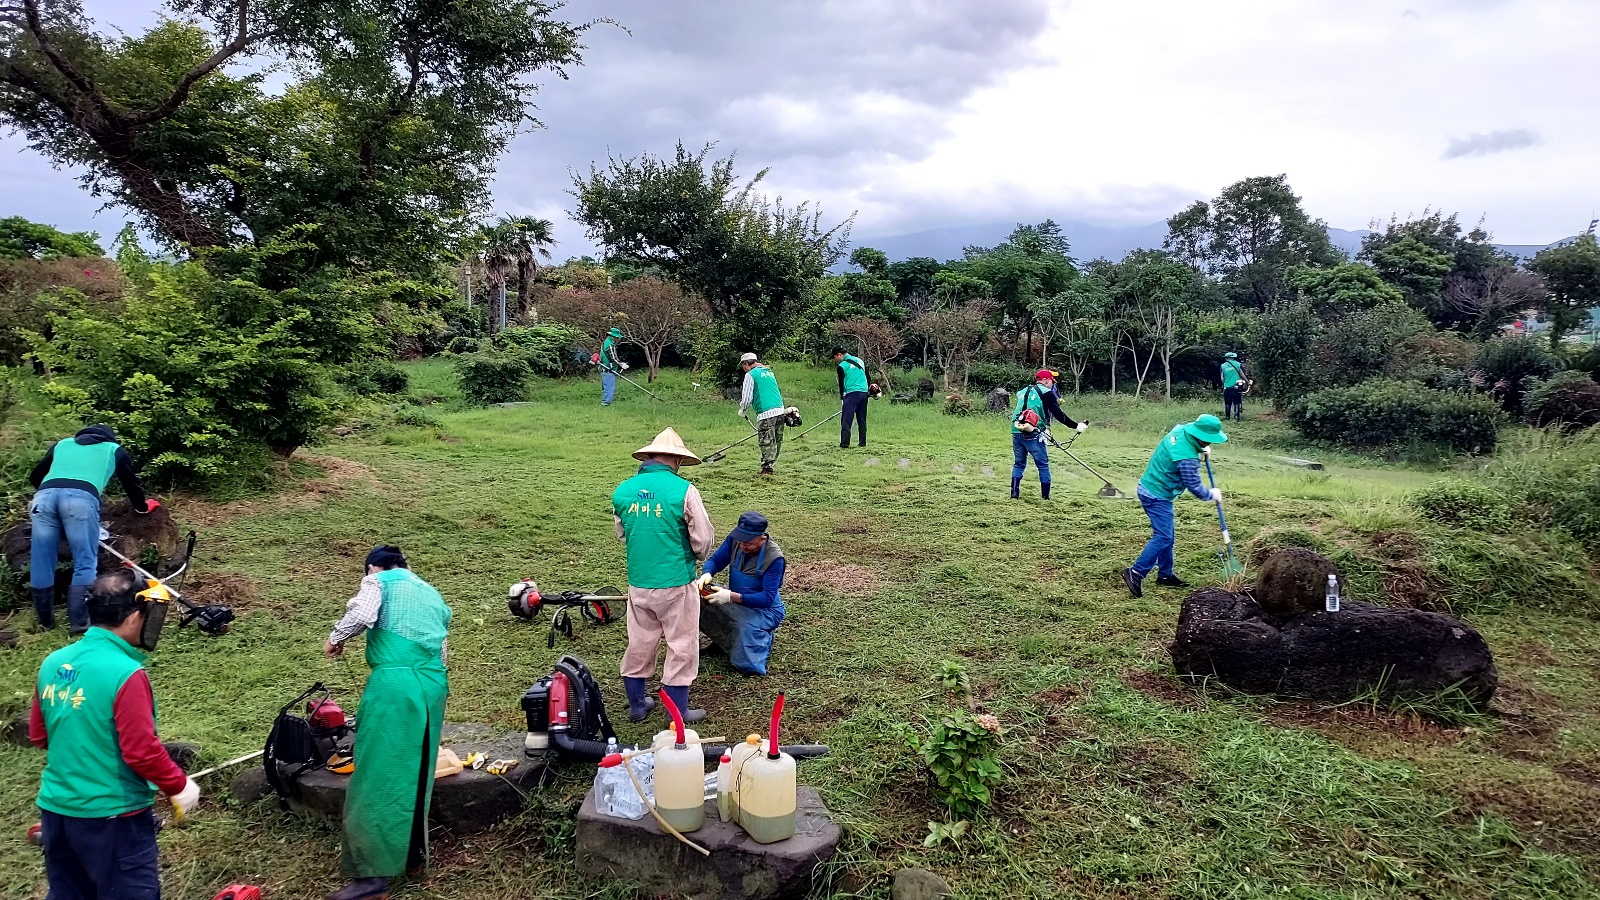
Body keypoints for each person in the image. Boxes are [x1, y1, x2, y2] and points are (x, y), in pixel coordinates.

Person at [30, 568, 199, 900]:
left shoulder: (54, 661)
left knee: (68, 893)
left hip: (56, 812)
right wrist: (179, 786)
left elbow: (39, 735)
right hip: (112, 818)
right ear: (135, 617)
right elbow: (141, 751)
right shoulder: (126, 673)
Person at [323, 546, 452, 900]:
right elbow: (441, 649)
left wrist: (336, 638)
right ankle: (411, 856)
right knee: (418, 771)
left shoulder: (378, 581)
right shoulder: (430, 592)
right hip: (432, 685)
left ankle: (370, 879)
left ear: (371, 568)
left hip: (395, 685)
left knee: (378, 775)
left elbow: (362, 614)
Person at [612, 428, 717, 723]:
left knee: (641, 640)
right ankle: (678, 712)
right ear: (676, 459)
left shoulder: (623, 490)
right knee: (681, 644)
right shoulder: (683, 490)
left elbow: (623, 533)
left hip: (639, 582)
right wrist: (697, 556)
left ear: (648, 456)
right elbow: (703, 537)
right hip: (675, 581)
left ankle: (637, 704)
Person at [28, 424, 154, 634]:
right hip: (80, 502)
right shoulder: (113, 449)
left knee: (41, 561)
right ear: (109, 438)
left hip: (43, 499)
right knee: (85, 561)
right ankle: (79, 623)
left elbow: (35, 476)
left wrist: (53, 498)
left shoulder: (63, 444)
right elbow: (131, 484)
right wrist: (142, 507)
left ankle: (45, 623)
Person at [1121, 414, 1228, 598]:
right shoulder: (1187, 458)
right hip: (1156, 495)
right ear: (1201, 437)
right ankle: (1136, 572)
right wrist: (1212, 495)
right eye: (1209, 441)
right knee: (1163, 536)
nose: (1211, 443)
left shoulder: (1182, 430)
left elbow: (1181, 436)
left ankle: (1165, 575)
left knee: (1167, 536)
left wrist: (1201, 450)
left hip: (1150, 486)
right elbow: (1194, 486)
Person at [698, 512, 786, 677]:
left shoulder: (774, 559)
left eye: (749, 543)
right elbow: (716, 560)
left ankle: (759, 646)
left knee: (742, 625)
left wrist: (731, 597)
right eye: (741, 541)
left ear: (762, 538)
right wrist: (707, 574)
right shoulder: (736, 540)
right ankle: (721, 642)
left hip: (766, 610)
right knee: (702, 598)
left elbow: (767, 598)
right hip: (737, 599)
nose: (743, 546)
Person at [1009, 370, 1087, 500]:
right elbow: (1058, 414)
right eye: (1052, 381)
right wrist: (1076, 426)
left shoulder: (1022, 392)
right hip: (1033, 432)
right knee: (1042, 465)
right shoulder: (1047, 393)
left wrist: (1046, 428)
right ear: (1046, 380)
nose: (1052, 385)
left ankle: (1014, 495)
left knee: (1019, 464)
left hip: (1016, 430)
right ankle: (1045, 498)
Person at [738, 352, 789, 475]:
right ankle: (771, 464)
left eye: (742, 366)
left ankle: (767, 469)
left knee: (766, 440)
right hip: (780, 410)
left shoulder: (751, 375)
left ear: (746, 364)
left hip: (766, 412)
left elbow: (746, 399)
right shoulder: (769, 372)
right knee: (776, 440)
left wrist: (742, 409)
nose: (743, 369)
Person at [833, 347, 870, 448]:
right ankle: (862, 443)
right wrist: (867, 390)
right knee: (861, 419)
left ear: (839, 355)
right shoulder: (859, 361)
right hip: (864, 392)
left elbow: (841, 384)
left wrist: (842, 397)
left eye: (834, 357)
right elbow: (867, 376)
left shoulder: (842, 366)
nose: (835, 360)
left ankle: (845, 444)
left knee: (846, 419)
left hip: (852, 393)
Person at [599, 326, 628, 406]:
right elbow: (614, 358)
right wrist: (621, 364)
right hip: (608, 369)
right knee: (609, 388)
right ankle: (605, 404)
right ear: (613, 337)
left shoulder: (605, 342)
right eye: (617, 338)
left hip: (603, 369)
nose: (618, 339)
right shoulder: (610, 345)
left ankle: (605, 402)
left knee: (606, 387)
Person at [1220, 352, 1247, 421]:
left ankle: (1227, 417)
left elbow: (1222, 378)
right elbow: (1242, 374)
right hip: (1237, 386)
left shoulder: (1222, 366)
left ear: (1226, 358)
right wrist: (1247, 381)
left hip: (1227, 387)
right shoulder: (1238, 364)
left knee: (1228, 403)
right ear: (1233, 358)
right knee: (1237, 402)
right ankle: (1237, 417)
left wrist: (1225, 383)